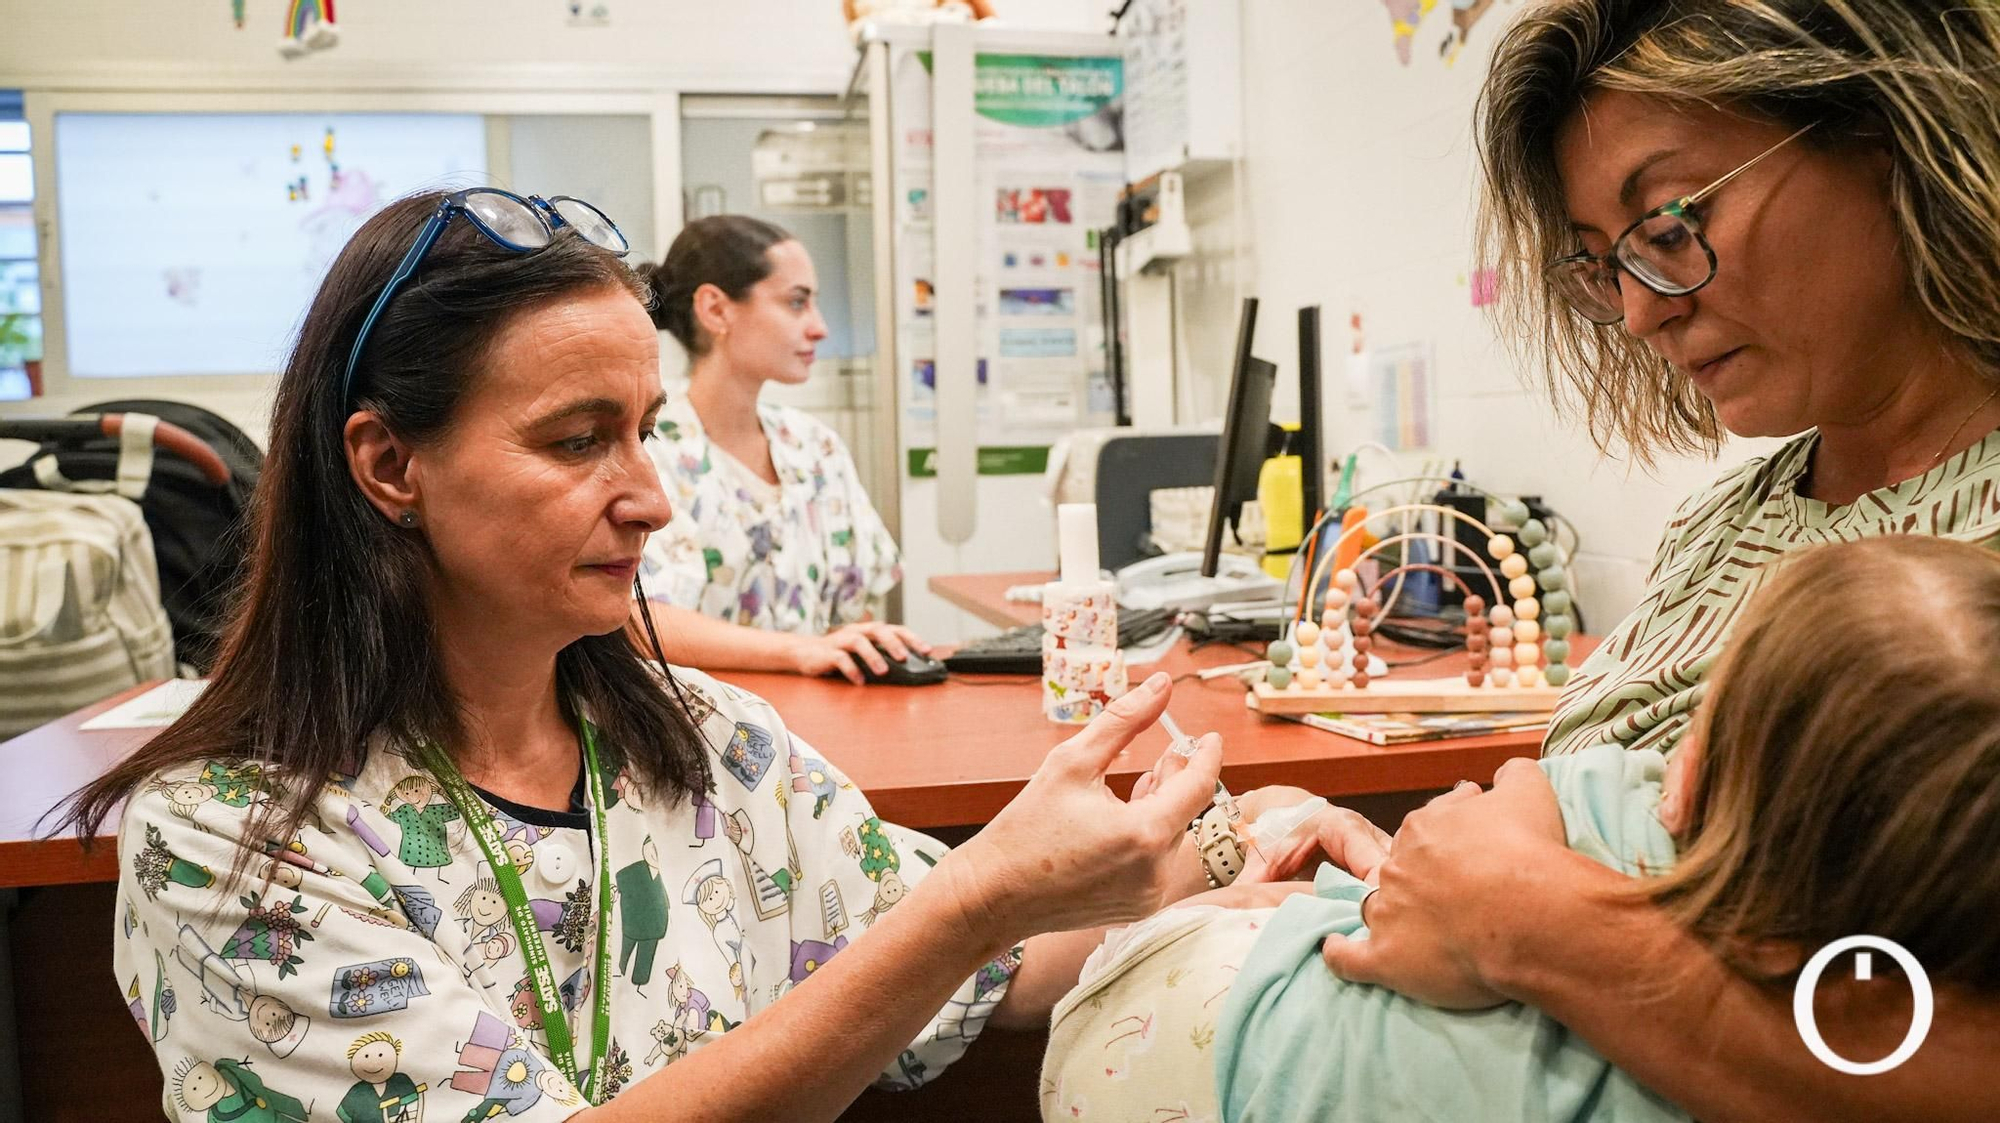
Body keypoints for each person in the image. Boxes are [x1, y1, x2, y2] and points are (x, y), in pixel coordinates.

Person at [56, 187, 1327, 1122]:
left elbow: (969, 975)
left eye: (647, 431)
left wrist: (1225, 845)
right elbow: (947, 930)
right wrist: (975, 894)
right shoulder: (232, 841)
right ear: (390, 463)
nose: (652, 497)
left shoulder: (708, 744)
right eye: (575, 440)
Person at [1306, 2, 2000, 1118]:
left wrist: (1532, 922)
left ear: (1883, 130)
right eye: (1599, 267)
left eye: (1669, 227)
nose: (1635, 313)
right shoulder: (1724, 521)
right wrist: (1402, 872)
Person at [1041, 536, 2000, 1121]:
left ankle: (1154, 903)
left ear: (1695, 767)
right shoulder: (1855, 1011)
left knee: (1265, 819)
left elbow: (1500, 799)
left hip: (1168, 1041)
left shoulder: (1624, 797)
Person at [635, 215, 923, 685]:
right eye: (796, 303)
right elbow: (638, 621)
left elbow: (848, 617)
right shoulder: (648, 449)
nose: (820, 328)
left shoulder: (816, 448)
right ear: (716, 310)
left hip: (824, 720)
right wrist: (799, 651)